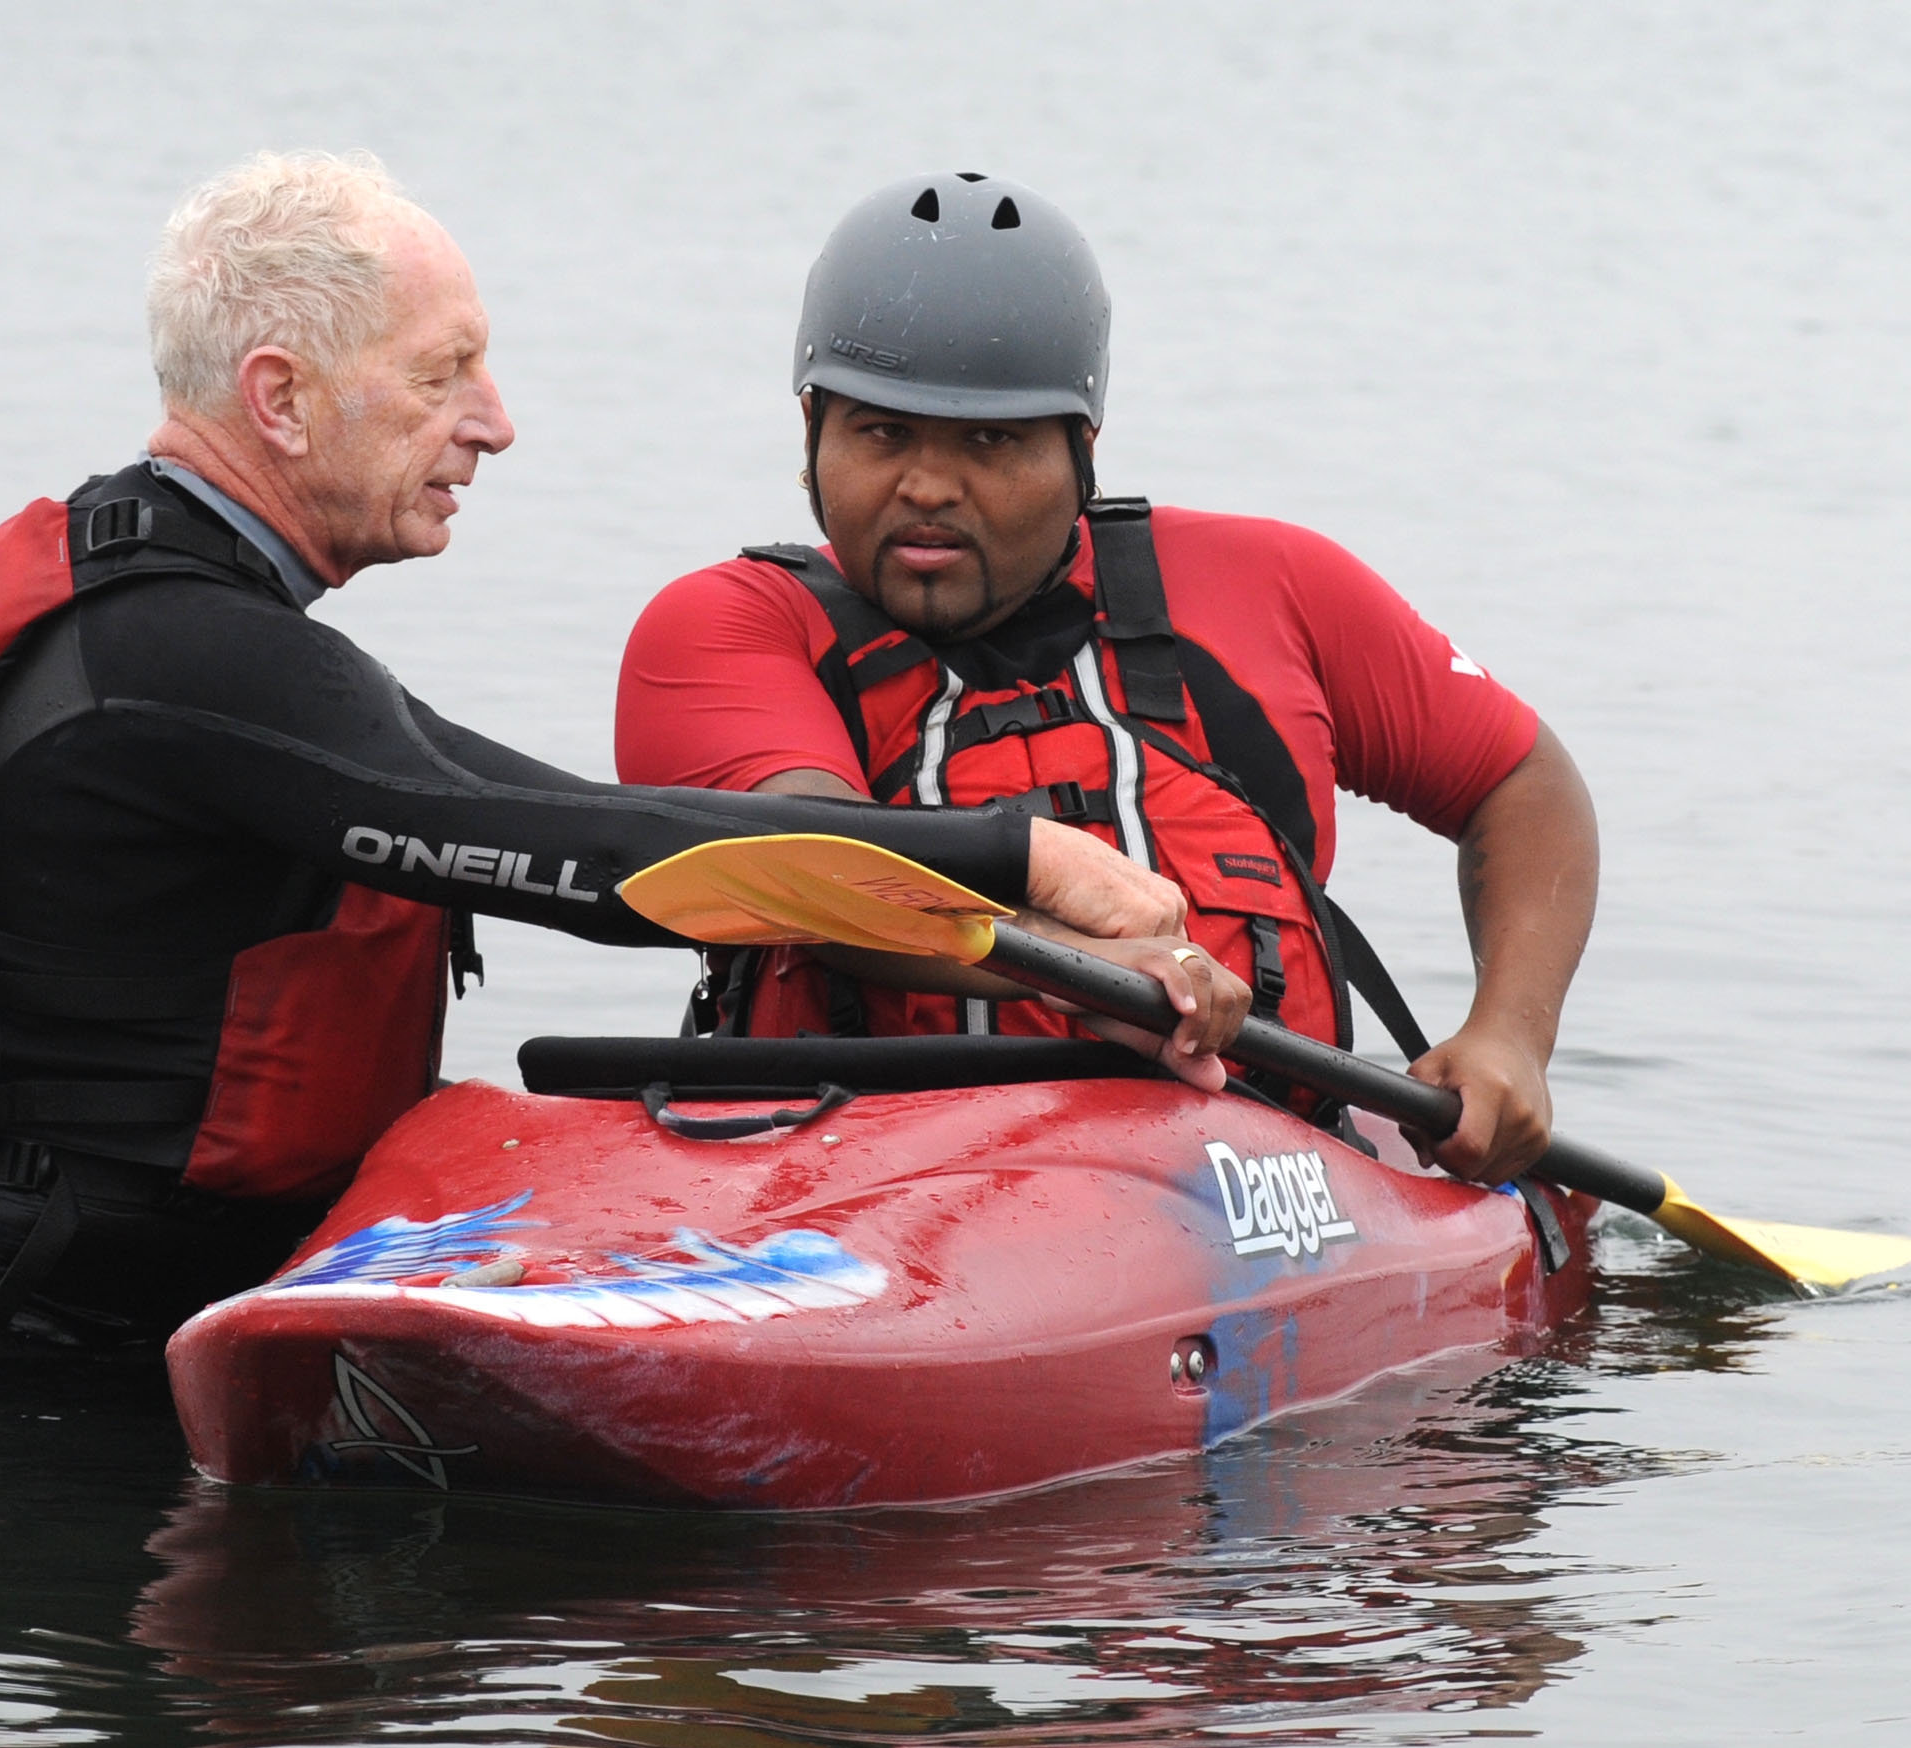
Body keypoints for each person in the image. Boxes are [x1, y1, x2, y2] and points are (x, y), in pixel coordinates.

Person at [0, 153, 1228, 1358]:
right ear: (281, 399)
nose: (497, 422)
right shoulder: (177, 656)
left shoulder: (191, 621)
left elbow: (543, 811)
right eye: (446, 372)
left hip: (52, 1328)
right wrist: (1024, 855)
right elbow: (600, 861)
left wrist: (1048, 955)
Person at [614, 171, 1600, 1185]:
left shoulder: (1272, 590)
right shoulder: (720, 630)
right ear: (812, 429)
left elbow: (1519, 784)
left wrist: (1510, 1036)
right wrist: (1073, 960)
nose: (927, 484)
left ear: (1080, 451)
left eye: (990, 441)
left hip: (1258, 1186)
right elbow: (811, 861)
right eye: (882, 433)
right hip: (848, 1184)